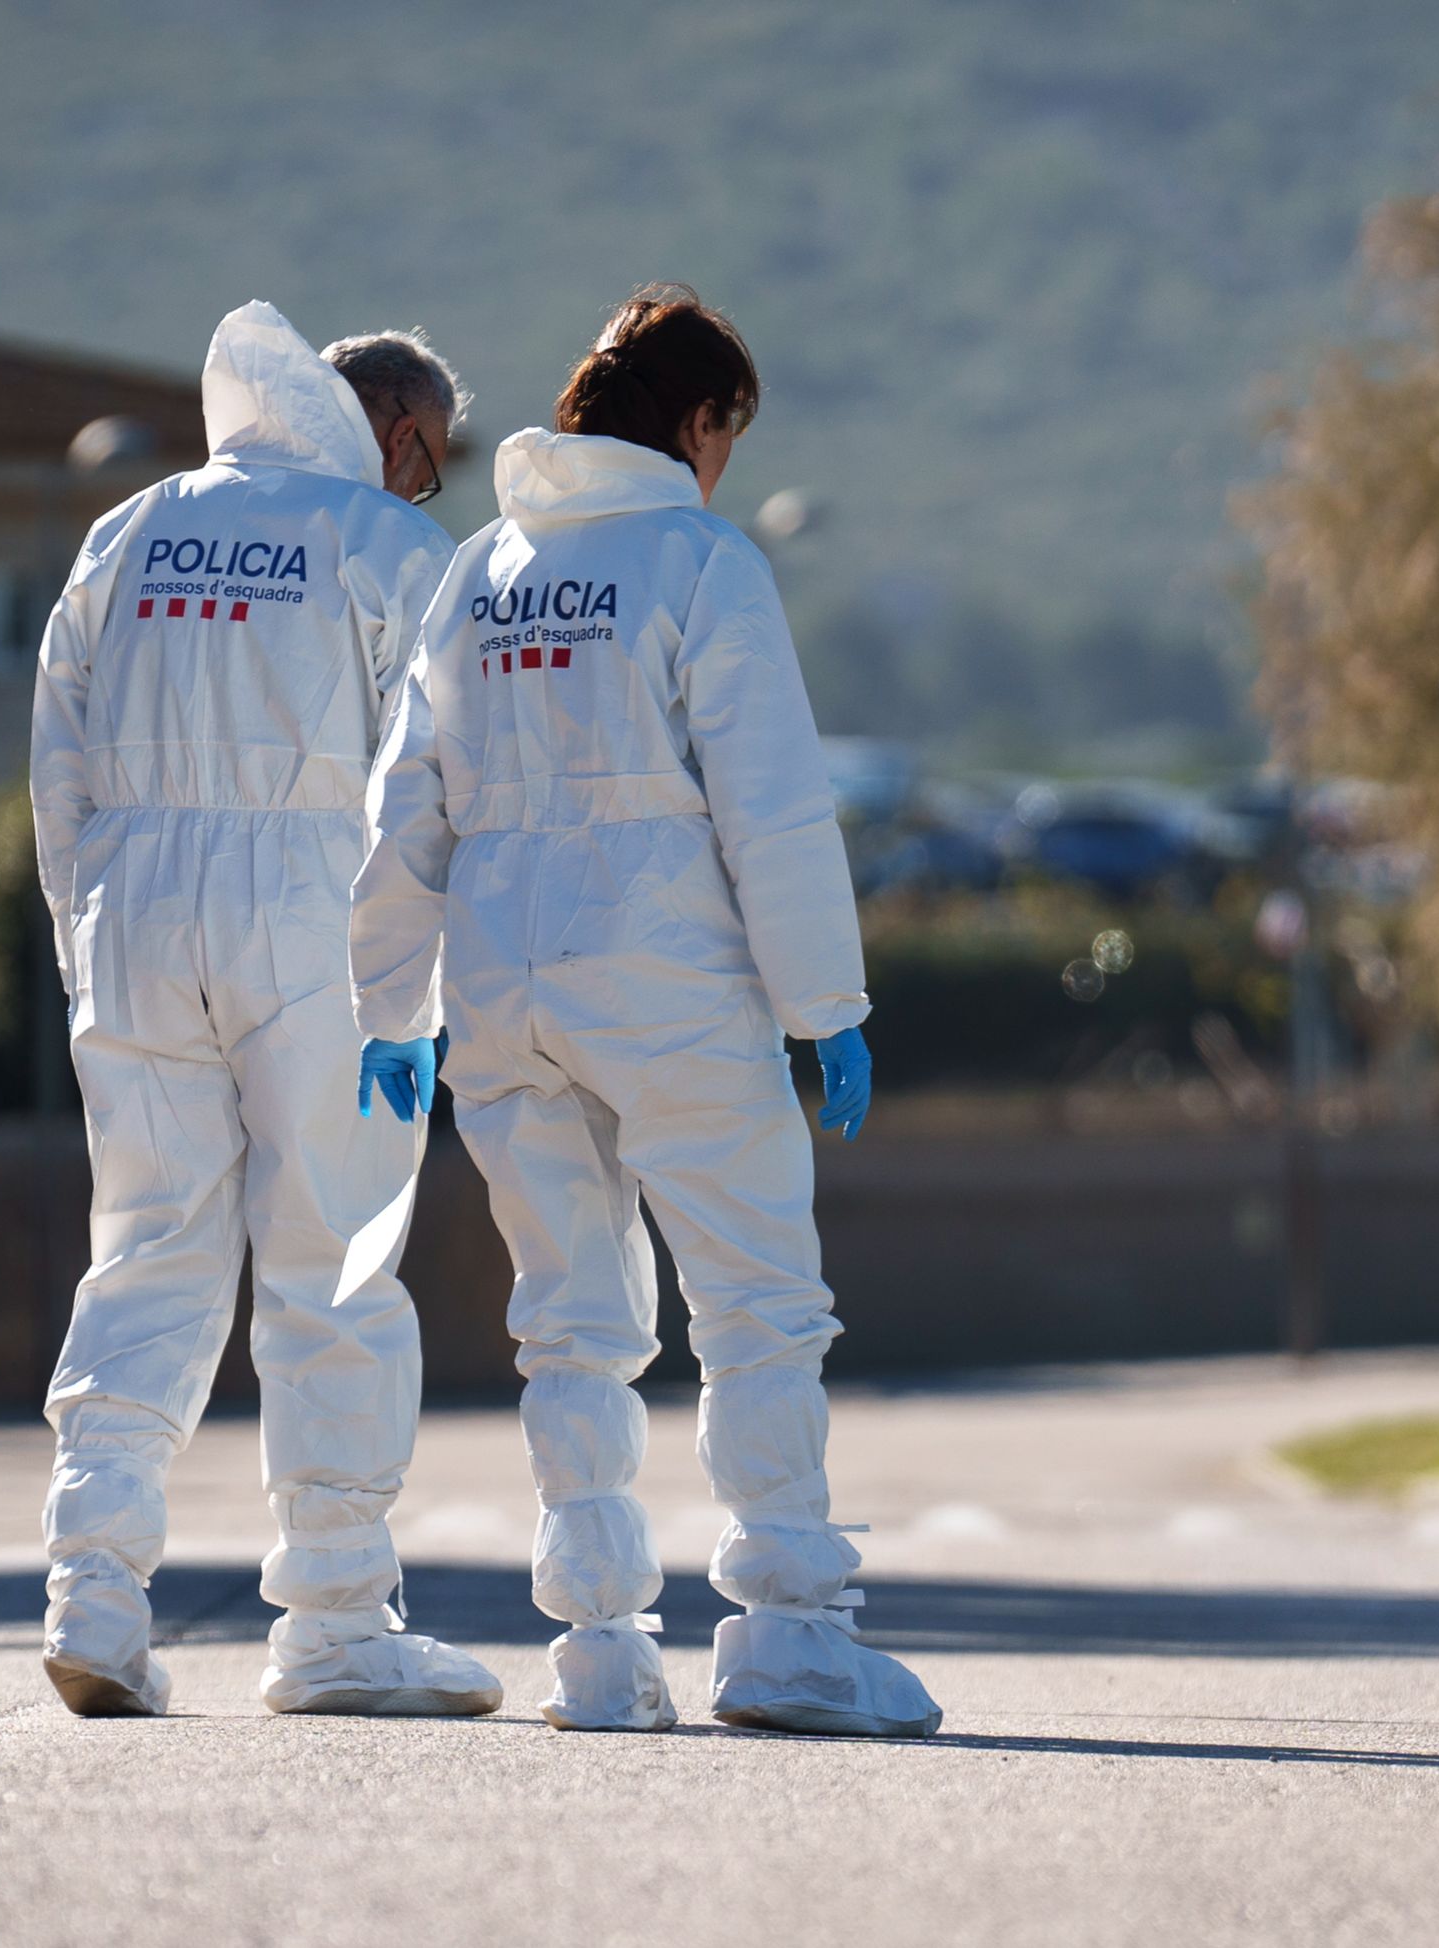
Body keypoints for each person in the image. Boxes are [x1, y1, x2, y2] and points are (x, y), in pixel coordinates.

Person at [349, 285, 938, 1739]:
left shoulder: (478, 571)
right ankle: (790, 1634)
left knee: (568, 1324)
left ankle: (602, 1657)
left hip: (502, 993)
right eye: (727, 435)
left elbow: (403, 810)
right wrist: (827, 1007)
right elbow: (776, 812)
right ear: (698, 422)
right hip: (669, 980)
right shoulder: (698, 560)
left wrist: (388, 1008)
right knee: (756, 1310)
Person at [31, 301, 502, 1720]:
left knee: (148, 1256)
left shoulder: (128, 531)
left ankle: (95, 1602)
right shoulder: (387, 545)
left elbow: (58, 771)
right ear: (398, 434)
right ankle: (339, 1628)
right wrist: (423, 995)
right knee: (334, 1268)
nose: (432, 482)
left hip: (132, 911)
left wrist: (86, 945)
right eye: (434, 457)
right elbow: (437, 781)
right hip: (319, 912)